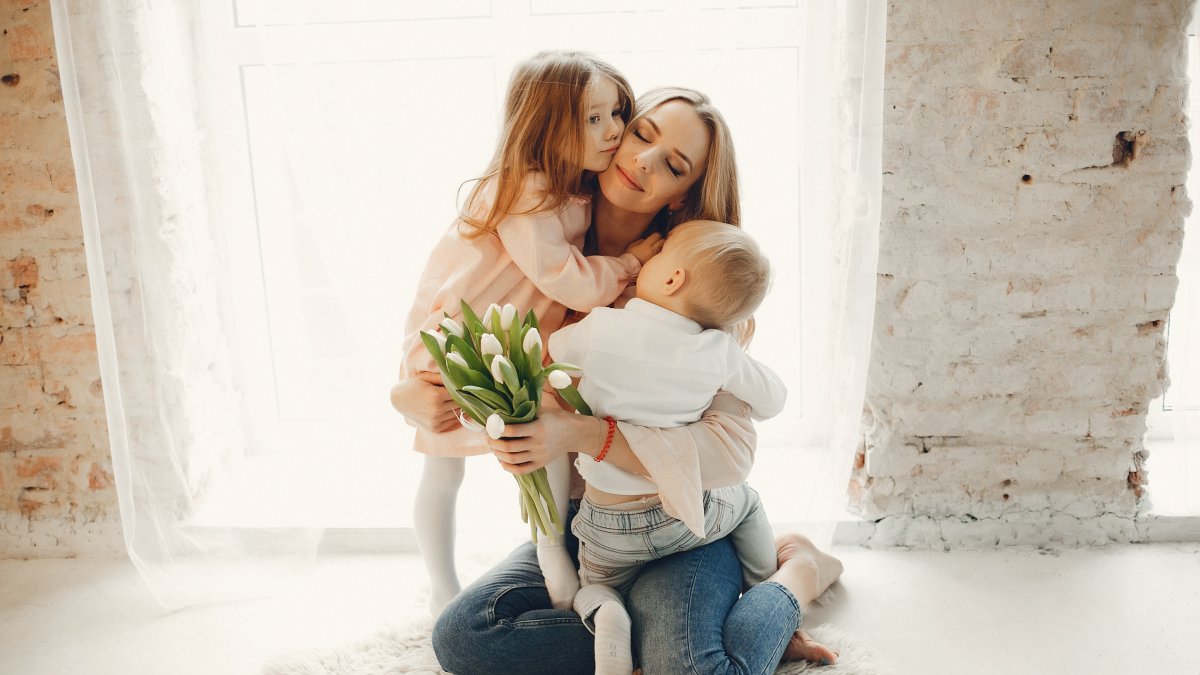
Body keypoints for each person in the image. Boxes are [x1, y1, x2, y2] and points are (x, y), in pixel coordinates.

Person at [392, 87, 844, 674]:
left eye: (674, 165)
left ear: (684, 198)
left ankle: (798, 572)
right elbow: (447, 323)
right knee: (464, 638)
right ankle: (650, 635)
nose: (643, 161)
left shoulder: (694, 295)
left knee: (688, 668)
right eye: (642, 134)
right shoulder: (539, 243)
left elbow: (731, 453)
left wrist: (581, 434)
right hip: (589, 532)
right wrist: (408, 395)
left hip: (684, 524)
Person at [396, 50, 663, 616]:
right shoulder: (527, 190)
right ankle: (443, 587)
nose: (614, 130)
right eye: (593, 119)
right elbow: (566, 281)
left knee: (542, 445)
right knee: (443, 470)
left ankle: (552, 553)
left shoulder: (574, 189)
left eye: (616, 112)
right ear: (545, 124)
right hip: (468, 344)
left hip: (517, 349)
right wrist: (630, 263)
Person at [548, 220, 788, 674]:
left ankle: (606, 612)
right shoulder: (717, 349)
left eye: (659, 256)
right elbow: (773, 400)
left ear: (672, 277)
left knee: (592, 585)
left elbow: (556, 353)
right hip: (679, 517)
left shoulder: (602, 327)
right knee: (748, 502)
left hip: (605, 522)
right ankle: (763, 586)